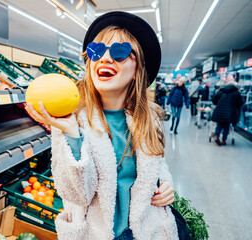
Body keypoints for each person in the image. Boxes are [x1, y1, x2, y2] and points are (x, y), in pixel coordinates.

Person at [26, 12, 177, 240]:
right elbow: (76, 194)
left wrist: (165, 183)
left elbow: (157, 160)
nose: (105, 58)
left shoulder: (148, 119)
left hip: (143, 231)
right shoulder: (71, 116)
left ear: (137, 70)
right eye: (97, 51)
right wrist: (70, 133)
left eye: (119, 52)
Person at [211, 81, 243, 146]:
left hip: (219, 111)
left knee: (219, 125)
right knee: (226, 127)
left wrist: (218, 104)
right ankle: (223, 140)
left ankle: (216, 136)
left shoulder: (222, 90)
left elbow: (214, 99)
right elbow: (240, 103)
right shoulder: (237, 93)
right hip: (230, 112)